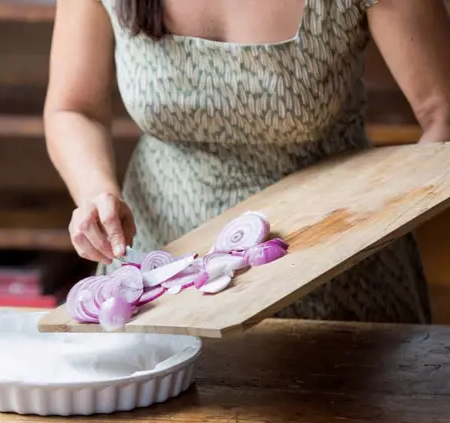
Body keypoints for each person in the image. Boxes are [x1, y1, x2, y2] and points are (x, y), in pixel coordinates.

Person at [44, 0, 450, 322]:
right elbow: (73, 109)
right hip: (162, 280)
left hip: (338, 278)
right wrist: (96, 192)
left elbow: (442, 113)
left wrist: (373, 223)